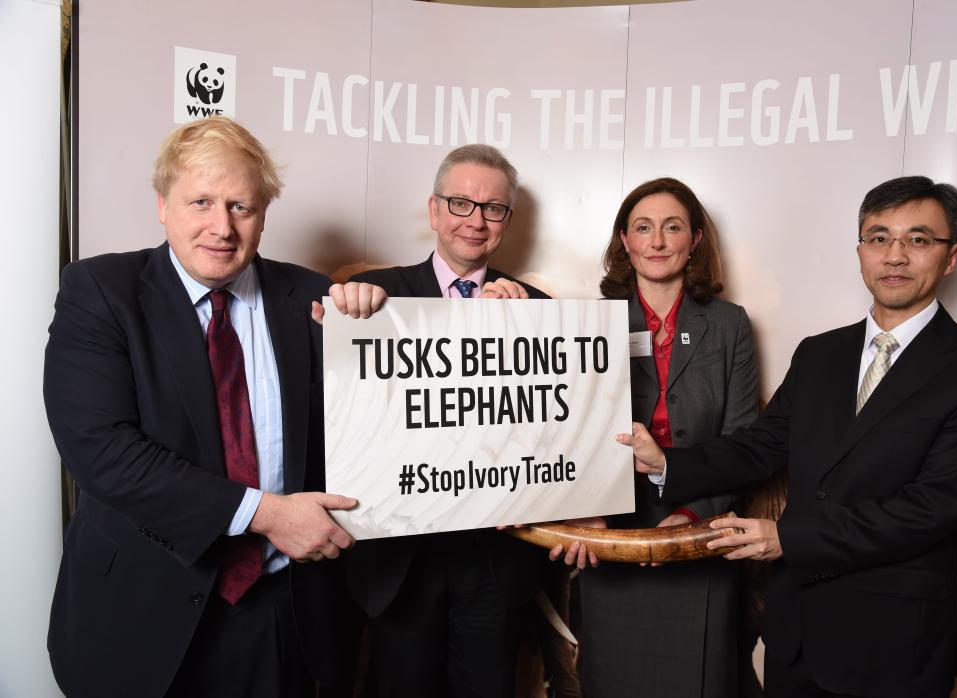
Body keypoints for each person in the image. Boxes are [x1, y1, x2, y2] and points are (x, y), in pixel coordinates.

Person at [619, 176, 957, 698]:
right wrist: (666, 464)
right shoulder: (819, 354)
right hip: (796, 635)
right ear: (860, 252)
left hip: (894, 643)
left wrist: (787, 539)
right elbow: (759, 446)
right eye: (879, 238)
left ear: (951, 258)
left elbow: (930, 509)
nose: (895, 255)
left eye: (918, 239)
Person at [44, 116, 361, 698]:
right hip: (139, 612)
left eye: (242, 207)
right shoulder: (101, 292)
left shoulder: (314, 298)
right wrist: (266, 514)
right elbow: (101, 451)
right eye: (201, 202)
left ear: (264, 214)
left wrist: (377, 325)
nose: (222, 227)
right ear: (162, 205)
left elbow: (376, 423)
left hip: (279, 615)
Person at [329, 144, 550, 698]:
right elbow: (339, 410)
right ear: (434, 210)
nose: (475, 220)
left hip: (495, 560)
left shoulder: (538, 309)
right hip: (402, 561)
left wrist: (523, 333)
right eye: (460, 203)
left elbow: (550, 435)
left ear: (507, 221)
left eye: (492, 208)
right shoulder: (371, 297)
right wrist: (335, 319)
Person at [549, 177, 758, 697]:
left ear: (695, 240)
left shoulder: (730, 325)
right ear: (625, 241)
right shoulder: (587, 323)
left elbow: (743, 443)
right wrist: (582, 510)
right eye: (643, 228)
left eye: (672, 227)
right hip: (611, 537)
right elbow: (563, 433)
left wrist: (690, 517)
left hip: (700, 533)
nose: (658, 241)